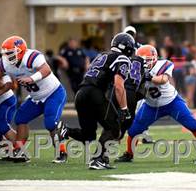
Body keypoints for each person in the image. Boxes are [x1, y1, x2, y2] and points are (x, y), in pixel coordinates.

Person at [115, 44, 196, 163]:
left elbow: (163, 80)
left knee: (192, 125)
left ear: (154, 58)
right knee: (134, 130)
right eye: (142, 61)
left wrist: (148, 77)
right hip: (151, 106)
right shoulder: (134, 70)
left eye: (147, 60)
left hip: (171, 102)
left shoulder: (164, 64)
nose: (145, 63)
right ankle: (129, 154)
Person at [56, 33, 136, 170]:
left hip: (81, 94)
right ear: (127, 47)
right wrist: (124, 109)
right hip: (94, 93)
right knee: (114, 127)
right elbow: (118, 85)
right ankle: (99, 159)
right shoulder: (122, 58)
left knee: (88, 135)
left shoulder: (102, 55)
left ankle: (66, 130)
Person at [0, 36, 67, 163]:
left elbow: (46, 70)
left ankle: (62, 152)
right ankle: (20, 151)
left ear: (20, 51)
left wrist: (31, 79)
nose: (7, 57)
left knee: (50, 123)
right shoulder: (6, 64)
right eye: (6, 54)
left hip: (53, 93)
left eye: (10, 54)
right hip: (35, 97)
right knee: (20, 118)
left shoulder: (32, 57)